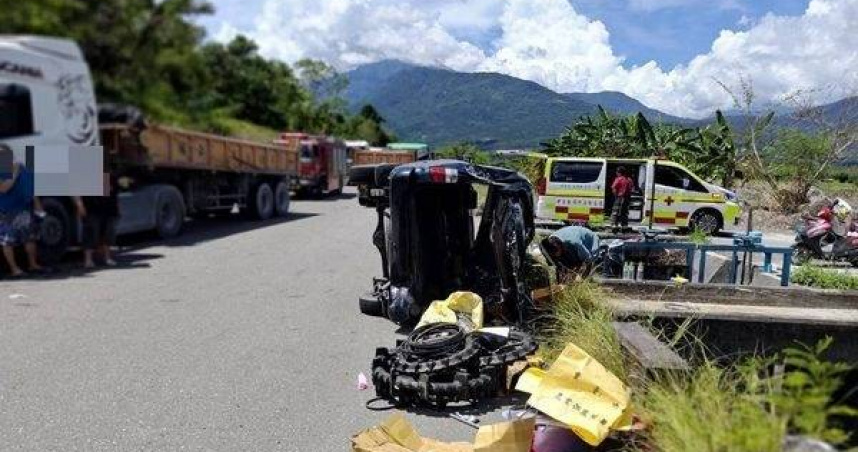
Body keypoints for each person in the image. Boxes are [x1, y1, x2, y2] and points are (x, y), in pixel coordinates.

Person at [0, 146, 46, 278]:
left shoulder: (21, 167)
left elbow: (31, 187)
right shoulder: (13, 169)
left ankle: (33, 264)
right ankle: (14, 269)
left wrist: (37, 204)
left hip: (24, 208)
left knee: (29, 238)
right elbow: (3, 189)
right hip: (6, 211)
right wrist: (14, 173)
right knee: (7, 241)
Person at [74, 174, 120, 268]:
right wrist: (79, 204)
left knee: (107, 233)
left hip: (108, 208)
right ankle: (88, 260)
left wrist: (117, 208)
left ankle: (107, 258)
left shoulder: (107, 175)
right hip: (91, 208)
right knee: (90, 233)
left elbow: (113, 193)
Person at [611, 166, 634, 232]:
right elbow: (632, 189)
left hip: (619, 197)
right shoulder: (629, 179)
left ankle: (614, 226)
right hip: (627, 198)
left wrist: (616, 196)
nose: (616, 173)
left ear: (619, 173)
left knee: (615, 211)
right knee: (624, 212)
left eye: (617, 172)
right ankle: (624, 226)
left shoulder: (618, 179)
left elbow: (614, 188)